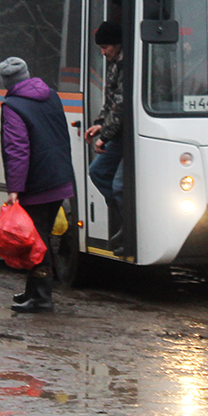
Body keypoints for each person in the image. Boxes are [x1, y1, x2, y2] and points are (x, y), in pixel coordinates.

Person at [0, 57, 75, 313]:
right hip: (59, 177)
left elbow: (17, 150)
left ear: (6, 82)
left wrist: (15, 189)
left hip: (37, 183)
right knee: (39, 235)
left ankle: (42, 297)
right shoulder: (51, 96)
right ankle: (32, 291)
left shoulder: (13, 106)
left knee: (35, 240)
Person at [85, 20, 126, 255]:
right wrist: (99, 124)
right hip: (116, 134)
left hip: (126, 137)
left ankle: (129, 225)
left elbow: (121, 105)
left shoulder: (127, 65)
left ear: (117, 44)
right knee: (98, 172)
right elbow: (110, 103)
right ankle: (123, 221)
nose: (102, 52)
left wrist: (106, 136)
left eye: (105, 47)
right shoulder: (113, 64)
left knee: (120, 186)